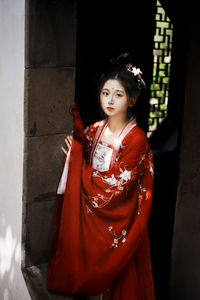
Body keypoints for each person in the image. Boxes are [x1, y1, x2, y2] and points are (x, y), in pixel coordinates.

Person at [46, 56, 155, 300]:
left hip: (116, 222)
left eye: (118, 94)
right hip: (90, 220)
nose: (110, 100)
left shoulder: (136, 140)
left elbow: (116, 186)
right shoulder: (95, 129)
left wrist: (76, 161)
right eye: (106, 93)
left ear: (132, 99)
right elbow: (82, 150)